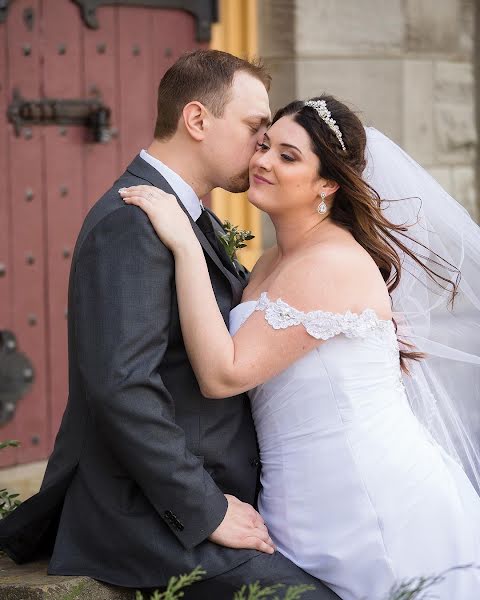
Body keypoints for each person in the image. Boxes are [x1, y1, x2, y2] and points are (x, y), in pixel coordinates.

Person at [0, 51, 339, 599]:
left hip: (222, 495)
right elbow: (122, 388)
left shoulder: (191, 217)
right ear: (198, 119)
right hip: (151, 518)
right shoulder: (130, 223)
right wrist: (204, 511)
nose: (262, 145)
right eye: (255, 127)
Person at [120, 94, 480, 600]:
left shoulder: (329, 265)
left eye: (288, 156)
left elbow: (224, 374)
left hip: (365, 496)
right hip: (299, 494)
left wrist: (184, 245)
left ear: (328, 183)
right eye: (263, 145)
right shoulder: (272, 259)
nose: (263, 161)